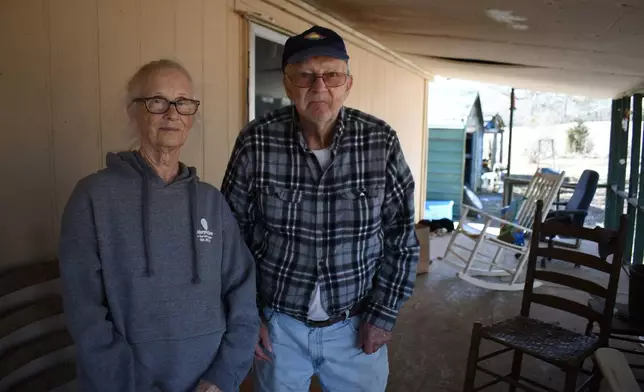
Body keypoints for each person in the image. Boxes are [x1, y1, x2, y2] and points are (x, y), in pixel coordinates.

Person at [221, 25, 420, 392]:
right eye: (305, 76)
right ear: (286, 83)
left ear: (348, 83)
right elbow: (231, 240)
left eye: (331, 74)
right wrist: (246, 318)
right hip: (278, 328)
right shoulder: (256, 140)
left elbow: (401, 238)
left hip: (356, 326)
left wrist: (383, 315)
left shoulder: (380, 140)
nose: (319, 87)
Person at [58, 59, 259, 392]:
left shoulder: (211, 202)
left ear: (192, 115)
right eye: (157, 101)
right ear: (134, 111)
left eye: (183, 102)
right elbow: (85, 312)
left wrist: (224, 376)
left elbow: (242, 292)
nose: (172, 113)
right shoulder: (93, 197)